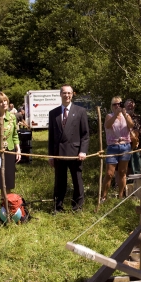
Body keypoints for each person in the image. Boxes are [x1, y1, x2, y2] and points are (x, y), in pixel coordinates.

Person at [48, 85, 90, 213]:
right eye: (64, 93)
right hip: (59, 153)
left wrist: (83, 151)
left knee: (77, 180)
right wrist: (51, 155)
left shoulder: (80, 111)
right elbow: (51, 137)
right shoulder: (53, 113)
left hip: (75, 153)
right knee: (60, 181)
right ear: (60, 94)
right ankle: (58, 206)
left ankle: (77, 206)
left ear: (73, 94)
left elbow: (85, 134)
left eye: (69, 93)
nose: (67, 95)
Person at [101, 97, 134, 202]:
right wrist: (116, 114)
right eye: (115, 104)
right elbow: (108, 125)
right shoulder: (109, 116)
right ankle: (104, 197)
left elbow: (131, 126)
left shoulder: (127, 115)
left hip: (125, 146)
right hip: (112, 146)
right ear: (112, 106)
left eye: (119, 104)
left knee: (122, 172)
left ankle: (120, 196)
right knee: (109, 173)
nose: (117, 106)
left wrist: (124, 114)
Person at [125, 99, 141, 175]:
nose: (130, 107)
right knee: (124, 164)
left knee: (135, 163)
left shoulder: (138, 117)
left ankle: (135, 181)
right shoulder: (122, 117)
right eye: (128, 105)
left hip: (135, 144)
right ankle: (121, 184)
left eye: (131, 105)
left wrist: (136, 133)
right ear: (125, 106)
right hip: (124, 144)